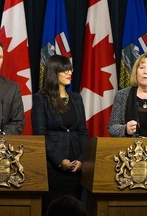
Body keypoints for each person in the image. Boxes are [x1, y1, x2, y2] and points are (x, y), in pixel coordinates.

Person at [31, 55, 89, 214]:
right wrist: (59, 161)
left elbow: (83, 131)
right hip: (52, 168)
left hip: (76, 168)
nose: (70, 72)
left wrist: (81, 159)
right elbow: (40, 134)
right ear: (53, 73)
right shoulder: (40, 99)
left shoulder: (76, 98)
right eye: (65, 70)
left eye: (70, 69)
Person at [108, 52, 147, 137]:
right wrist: (125, 129)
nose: (145, 72)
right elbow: (112, 127)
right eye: (141, 68)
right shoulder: (122, 95)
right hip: (130, 148)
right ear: (136, 72)